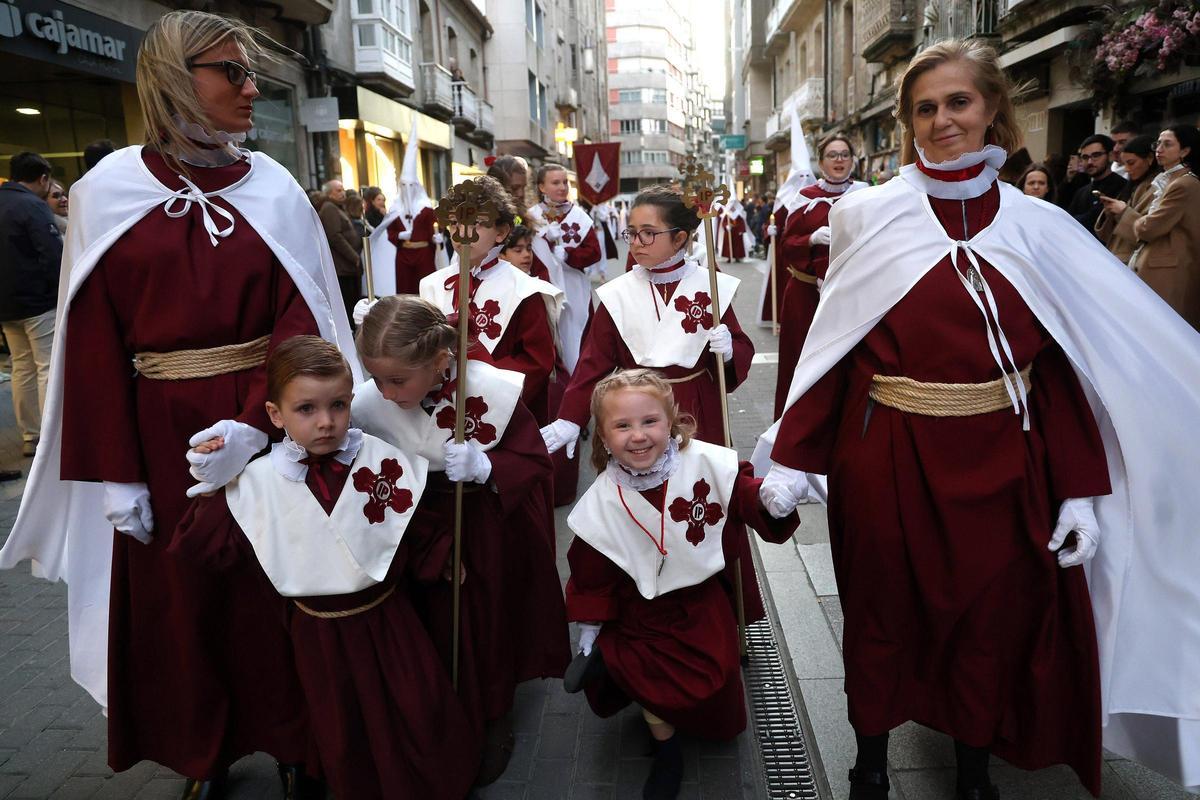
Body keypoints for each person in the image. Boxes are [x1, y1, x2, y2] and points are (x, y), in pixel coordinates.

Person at [758, 37, 1200, 799]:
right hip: (887, 452)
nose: (942, 121)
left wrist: (1081, 489)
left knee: (988, 621)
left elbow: (1062, 371)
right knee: (880, 613)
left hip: (1006, 455)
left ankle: (972, 768)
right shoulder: (868, 215)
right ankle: (869, 762)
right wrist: (793, 458)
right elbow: (839, 345)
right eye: (924, 109)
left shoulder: (1039, 227)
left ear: (993, 107)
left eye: (958, 102)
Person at [0, 12, 360, 799]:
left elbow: (305, 318)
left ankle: (298, 740)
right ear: (173, 76)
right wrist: (117, 477)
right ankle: (206, 750)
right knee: (179, 603)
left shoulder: (274, 187)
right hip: (159, 434)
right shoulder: (108, 191)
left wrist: (261, 422)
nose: (250, 86)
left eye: (248, 71)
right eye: (229, 71)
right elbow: (91, 343)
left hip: (269, 424)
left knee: (279, 592)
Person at [173, 335, 478, 800]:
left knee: (414, 707)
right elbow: (203, 553)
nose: (326, 422)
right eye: (307, 410)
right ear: (275, 415)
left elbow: (414, 527)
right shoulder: (258, 481)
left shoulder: (379, 460)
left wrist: (442, 558)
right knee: (339, 723)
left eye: (338, 405)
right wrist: (216, 492)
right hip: (315, 635)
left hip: (388, 622)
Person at [351, 296, 570, 786]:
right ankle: (441, 710)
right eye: (378, 379)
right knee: (430, 622)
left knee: (487, 621)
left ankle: (494, 714)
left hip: (484, 524)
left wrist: (489, 466)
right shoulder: (369, 403)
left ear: (441, 361)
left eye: (398, 381)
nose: (386, 394)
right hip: (416, 528)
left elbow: (534, 463)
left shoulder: (492, 391)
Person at [542, 184, 766, 647]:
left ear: (680, 238)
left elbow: (737, 353)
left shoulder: (709, 285)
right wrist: (569, 418)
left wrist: (728, 352)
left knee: (706, 503)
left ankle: (725, 615)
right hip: (639, 413)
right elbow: (591, 363)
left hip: (698, 408)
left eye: (649, 233)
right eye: (632, 234)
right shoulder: (618, 295)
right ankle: (645, 604)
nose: (637, 243)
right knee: (646, 510)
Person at [563, 369, 800, 800]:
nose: (638, 436)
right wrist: (590, 626)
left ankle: (657, 700)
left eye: (649, 421)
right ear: (601, 435)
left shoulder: (707, 462)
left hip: (699, 602)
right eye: (622, 425)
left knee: (713, 678)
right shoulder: (600, 498)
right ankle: (666, 748)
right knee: (648, 677)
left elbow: (741, 493)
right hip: (641, 611)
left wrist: (770, 498)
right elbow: (591, 567)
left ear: (671, 419)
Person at [414, 176, 563, 426]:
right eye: (454, 223)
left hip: (501, 414)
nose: (462, 232)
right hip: (440, 408)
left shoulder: (525, 290)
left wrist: (477, 385)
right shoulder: (431, 284)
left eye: (477, 223)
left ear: (501, 232)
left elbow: (536, 363)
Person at [774, 134, 867, 418]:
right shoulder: (804, 197)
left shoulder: (867, 194)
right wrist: (810, 239)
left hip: (853, 294)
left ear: (852, 160)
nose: (839, 160)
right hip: (805, 297)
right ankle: (797, 425)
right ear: (821, 161)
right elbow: (786, 247)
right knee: (802, 361)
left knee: (851, 361)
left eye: (844, 154)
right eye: (832, 155)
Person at [0, 151, 62, 458]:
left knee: (20, 366)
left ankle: (30, 433)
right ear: (43, 178)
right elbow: (50, 253)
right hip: (37, 300)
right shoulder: (32, 206)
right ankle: (51, 433)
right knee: (46, 365)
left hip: (6, 304)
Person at [1116, 125, 1200, 327]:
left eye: (1167, 144)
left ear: (1185, 151)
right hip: (1161, 267)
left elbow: (1149, 228)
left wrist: (1135, 220)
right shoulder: (1170, 180)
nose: (1159, 149)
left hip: (1169, 273)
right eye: (1158, 143)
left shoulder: (1184, 184)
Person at [527, 163, 602, 373]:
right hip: (544, 288)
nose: (562, 187)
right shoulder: (530, 217)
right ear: (542, 187)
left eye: (565, 182)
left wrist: (570, 255)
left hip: (575, 286)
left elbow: (595, 253)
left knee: (579, 335)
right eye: (555, 182)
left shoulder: (580, 217)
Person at [369, 118, 441, 297]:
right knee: (405, 291)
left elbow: (436, 229)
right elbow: (389, 232)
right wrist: (400, 236)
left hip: (423, 254)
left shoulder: (426, 209)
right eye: (404, 186)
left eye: (410, 186)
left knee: (425, 290)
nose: (407, 190)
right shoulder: (395, 209)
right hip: (403, 255)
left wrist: (438, 239)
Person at [1095, 134, 1158, 264]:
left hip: (1136, 261)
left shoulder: (1158, 188)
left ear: (1150, 159)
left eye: (1131, 163)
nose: (1128, 169)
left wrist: (1123, 211)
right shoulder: (1131, 186)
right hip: (1119, 257)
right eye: (1125, 164)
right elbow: (1108, 235)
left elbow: (1150, 232)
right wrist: (1110, 213)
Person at [319, 179, 363, 325]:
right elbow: (335, 236)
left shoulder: (337, 207)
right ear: (328, 193)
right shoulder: (329, 208)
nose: (343, 193)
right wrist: (353, 256)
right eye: (338, 190)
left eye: (343, 189)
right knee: (348, 303)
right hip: (342, 267)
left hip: (347, 267)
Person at [1067, 134, 1127, 237]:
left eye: (1096, 155)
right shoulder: (1081, 192)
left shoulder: (1122, 186)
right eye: (1085, 157)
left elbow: (1094, 219)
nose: (1090, 162)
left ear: (1110, 156)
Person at [716, 196, 750, 261]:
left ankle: (737, 257)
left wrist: (741, 230)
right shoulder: (727, 214)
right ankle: (729, 256)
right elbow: (724, 221)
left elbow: (741, 223)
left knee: (737, 245)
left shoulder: (739, 214)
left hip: (737, 231)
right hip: (729, 231)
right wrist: (726, 226)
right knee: (729, 244)